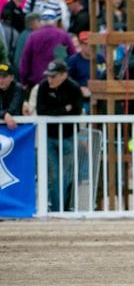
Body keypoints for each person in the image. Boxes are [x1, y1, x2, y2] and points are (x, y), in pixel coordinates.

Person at [34, 60, 83, 211]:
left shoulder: (73, 88)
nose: (50, 79)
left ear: (64, 75)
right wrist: (64, 109)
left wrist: (55, 110)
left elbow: (76, 111)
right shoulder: (43, 86)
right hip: (49, 138)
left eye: (54, 76)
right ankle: (57, 209)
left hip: (68, 137)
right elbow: (41, 111)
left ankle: (64, 207)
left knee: (67, 175)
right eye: (49, 76)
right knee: (54, 175)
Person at [0, 62, 24, 129]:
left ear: (12, 77)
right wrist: (4, 114)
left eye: (4, 77)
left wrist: (3, 114)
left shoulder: (18, 88)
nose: (0, 81)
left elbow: (13, 111)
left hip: (16, 128)